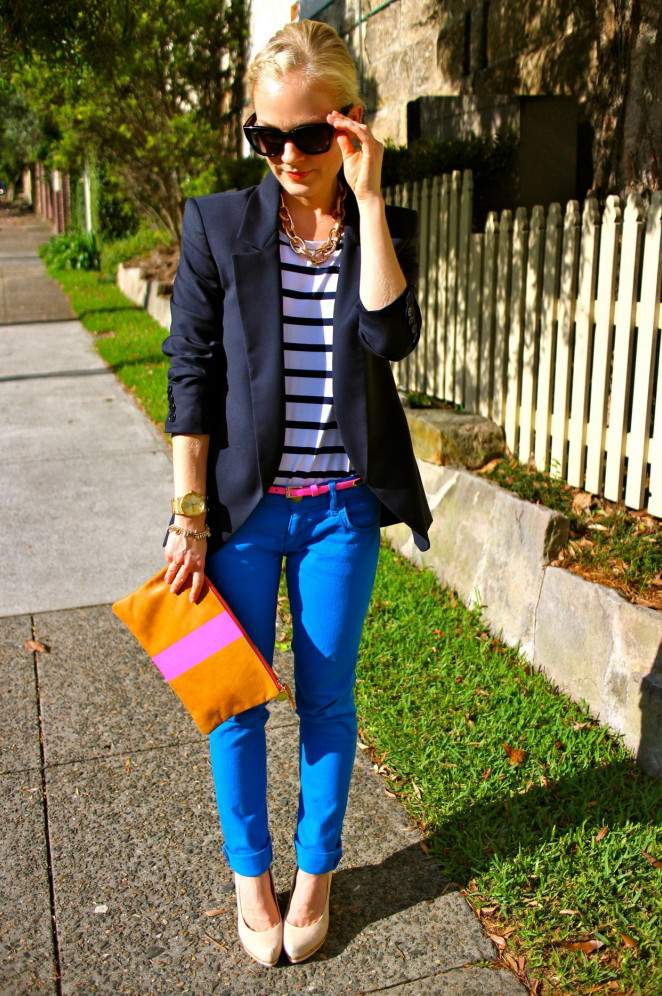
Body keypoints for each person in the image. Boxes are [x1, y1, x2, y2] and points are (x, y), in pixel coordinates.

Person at [161, 18, 432, 967]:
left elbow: (392, 339)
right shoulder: (216, 225)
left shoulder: (379, 225)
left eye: (311, 135)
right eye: (266, 136)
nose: (287, 156)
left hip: (340, 514)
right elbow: (190, 371)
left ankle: (317, 870)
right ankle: (251, 874)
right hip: (239, 511)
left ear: (350, 124)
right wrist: (189, 511)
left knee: (326, 697)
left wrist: (370, 199)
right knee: (231, 697)